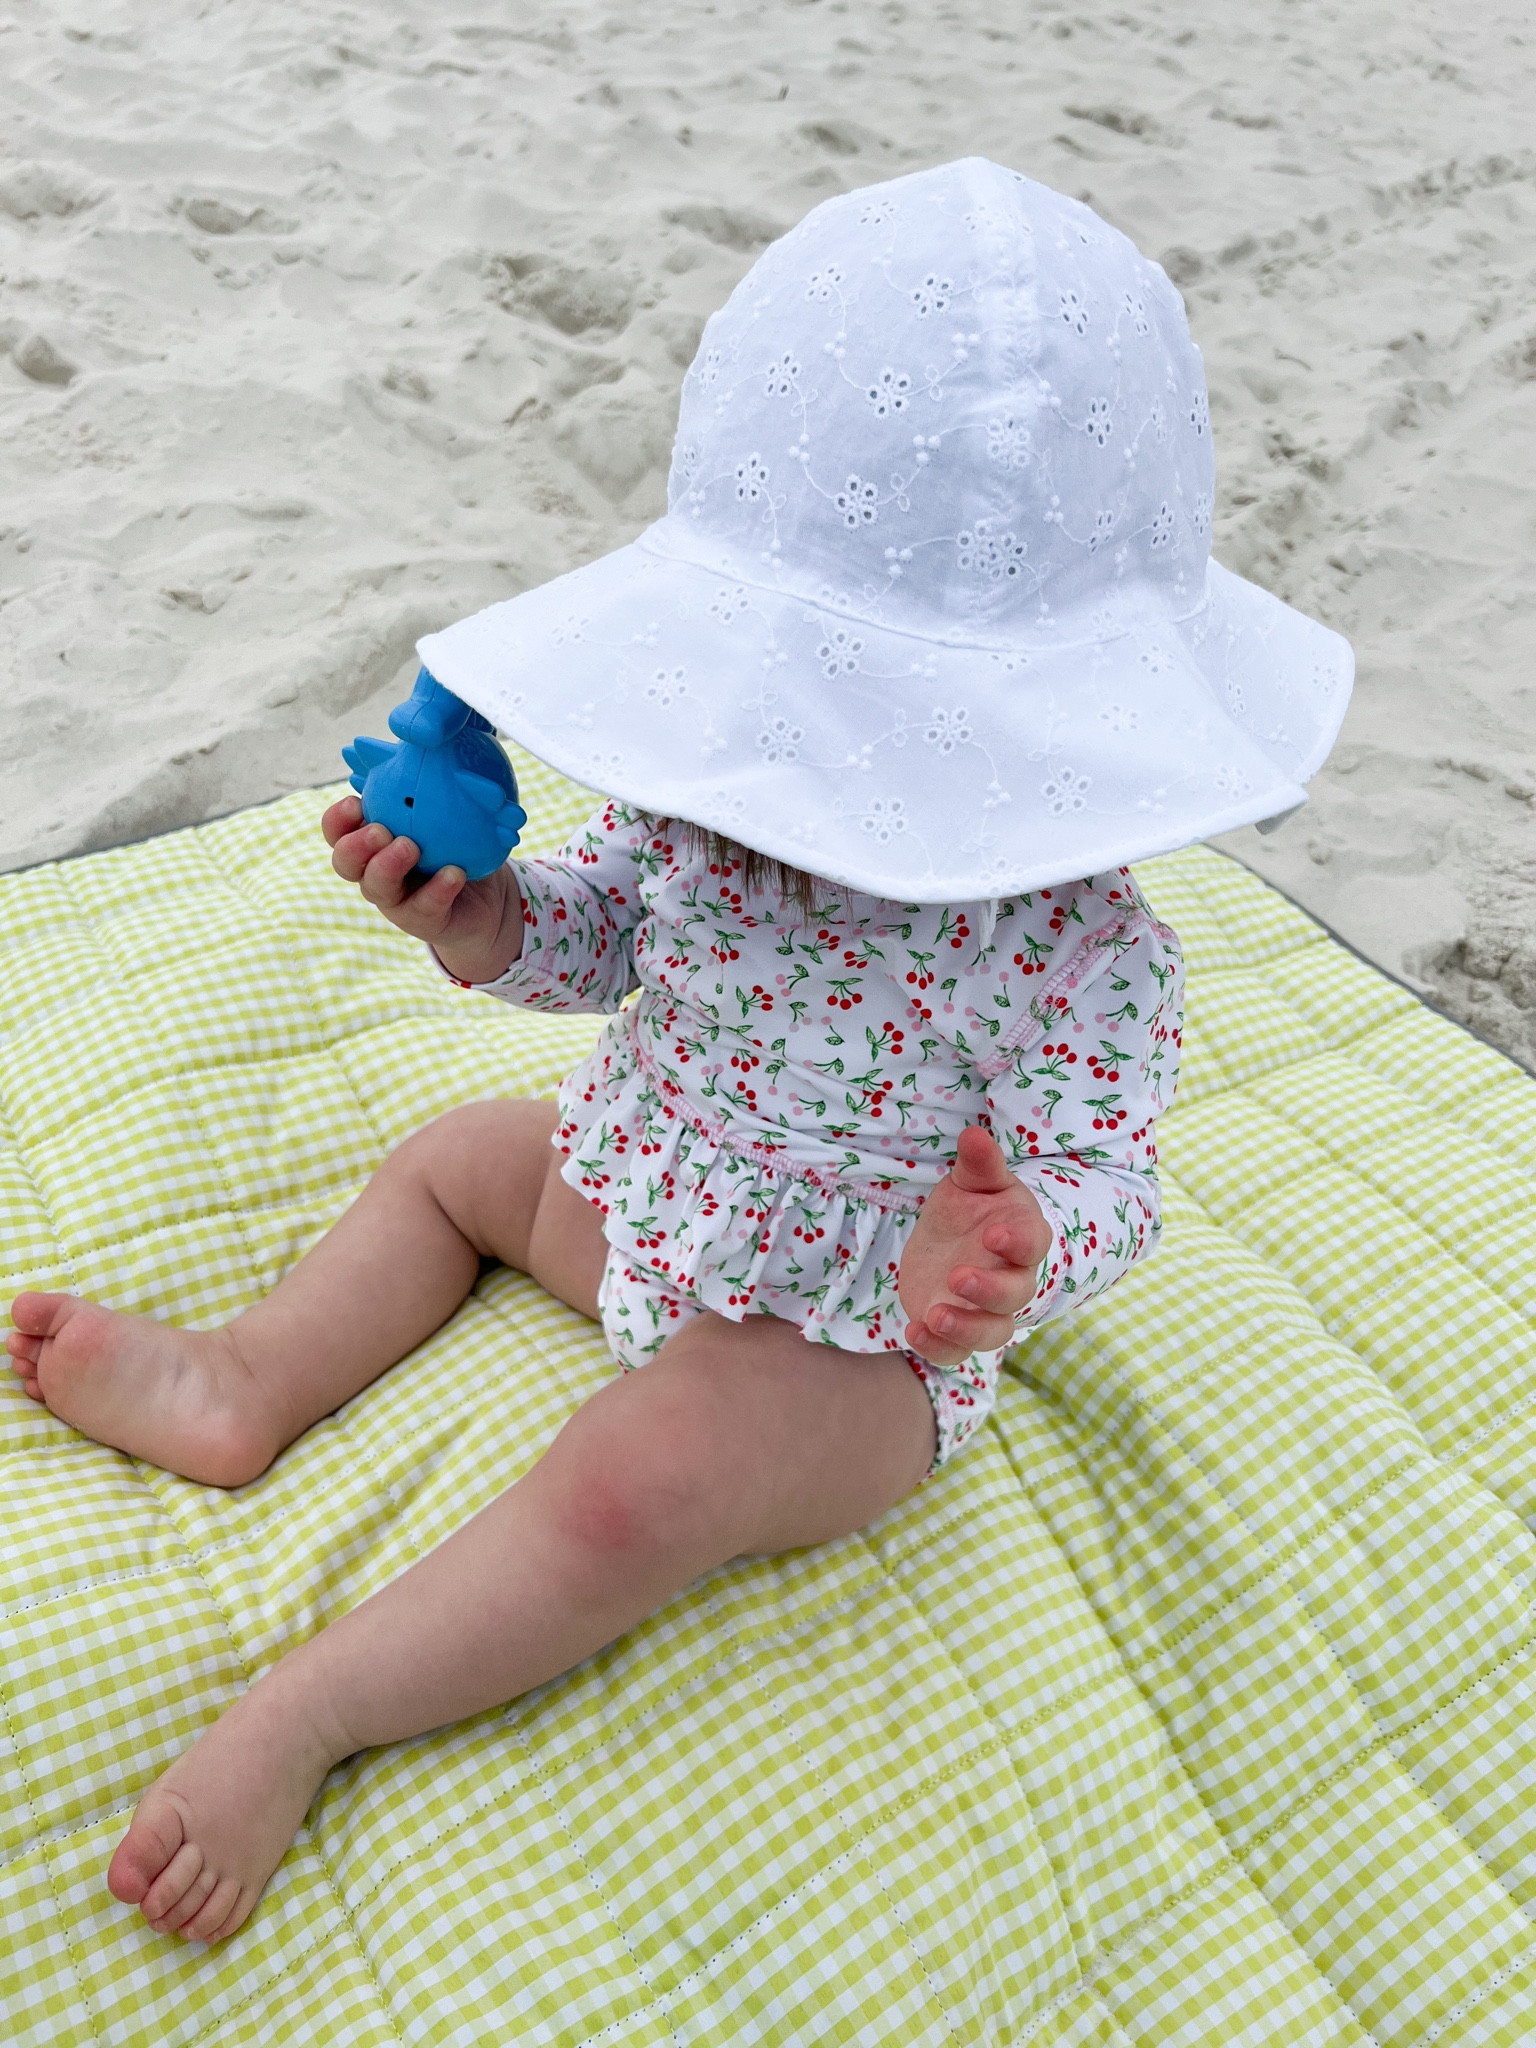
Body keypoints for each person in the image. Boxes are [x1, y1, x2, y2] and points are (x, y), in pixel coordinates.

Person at [4, 158, 1352, 1945]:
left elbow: (1111, 1174)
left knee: (644, 1467)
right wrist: (483, 917)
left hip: (851, 1342)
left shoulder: (1086, 952)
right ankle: (248, 1380)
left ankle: (317, 1708)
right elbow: (609, 935)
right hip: (649, 1192)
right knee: (457, 1161)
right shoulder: (715, 797)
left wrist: (1013, 1252)